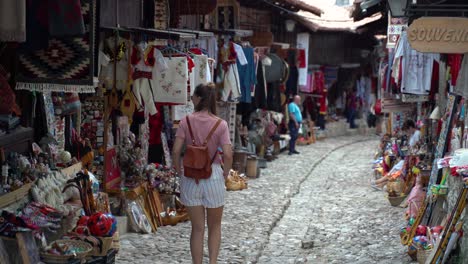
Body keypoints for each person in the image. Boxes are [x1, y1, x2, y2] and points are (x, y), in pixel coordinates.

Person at [172, 83, 233, 264]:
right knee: (215, 226)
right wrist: (225, 173)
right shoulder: (220, 124)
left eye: (193, 97)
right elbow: (228, 154)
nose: (191, 99)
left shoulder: (186, 121)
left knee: (197, 229)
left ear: (198, 98)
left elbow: (176, 151)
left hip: (190, 177)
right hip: (213, 175)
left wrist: (178, 170)